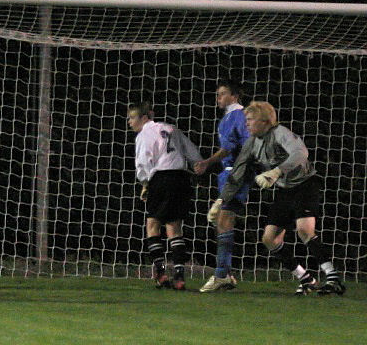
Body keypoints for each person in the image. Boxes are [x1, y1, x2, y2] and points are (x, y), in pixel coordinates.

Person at [212, 101, 346, 295]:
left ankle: (333, 278)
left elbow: (301, 153)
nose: (246, 124)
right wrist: (220, 201)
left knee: (304, 230)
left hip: (305, 185)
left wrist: (276, 171)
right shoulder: (251, 143)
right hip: (285, 190)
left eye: (250, 120)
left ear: (265, 121)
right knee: (269, 239)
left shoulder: (280, 133)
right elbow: (237, 173)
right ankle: (306, 279)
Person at [128, 102, 202, 290]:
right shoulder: (171, 129)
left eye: (132, 118)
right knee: (174, 227)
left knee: (153, 225)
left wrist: (145, 182)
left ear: (144, 118)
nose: (129, 122)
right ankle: (179, 276)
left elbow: (144, 160)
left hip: (161, 178)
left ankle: (161, 273)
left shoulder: (144, 133)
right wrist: (199, 166)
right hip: (181, 178)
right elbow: (193, 152)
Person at [193, 80, 249, 292]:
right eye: (218, 94)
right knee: (220, 221)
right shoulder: (229, 118)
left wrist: (207, 162)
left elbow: (235, 147)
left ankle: (220, 275)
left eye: (222, 94)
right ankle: (225, 273)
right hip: (228, 175)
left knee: (223, 220)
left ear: (234, 96)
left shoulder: (240, 116)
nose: (218, 98)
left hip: (236, 174)